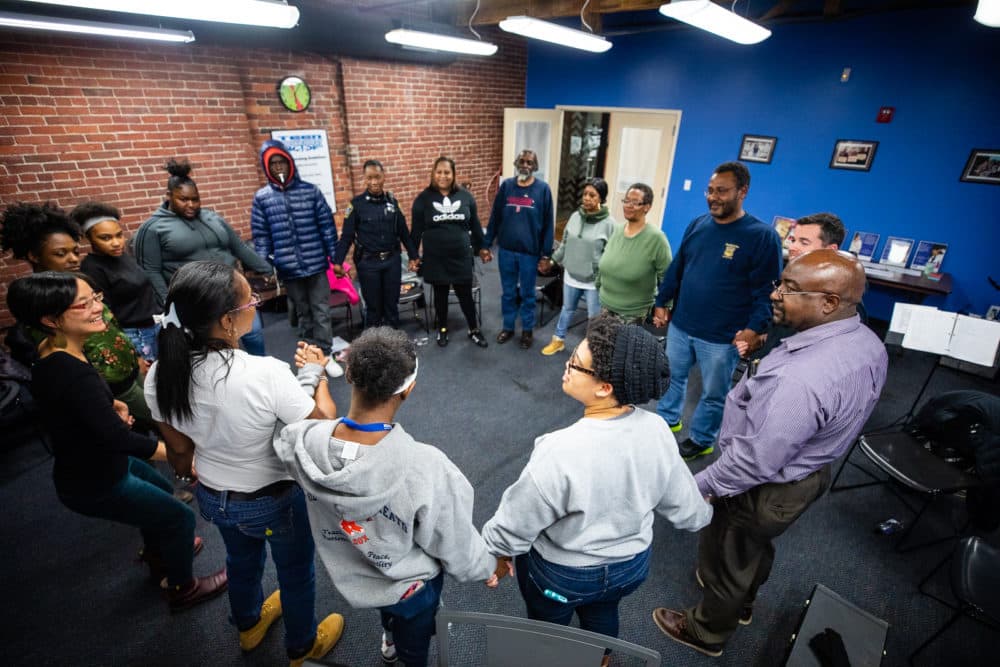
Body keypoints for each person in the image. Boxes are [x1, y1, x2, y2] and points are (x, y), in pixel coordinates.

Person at [652, 250, 888, 658]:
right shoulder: (866, 341)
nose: (776, 294)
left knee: (726, 553)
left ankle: (706, 632)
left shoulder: (801, 381)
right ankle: (743, 603)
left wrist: (699, 486)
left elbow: (753, 462)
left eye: (790, 289)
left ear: (829, 303)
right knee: (751, 546)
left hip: (762, 486)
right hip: (805, 476)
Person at [482, 314, 712, 661]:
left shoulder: (558, 450)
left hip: (563, 576)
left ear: (605, 388)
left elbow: (517, 522)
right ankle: (603, 658)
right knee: (603, 613)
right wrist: (705, 513)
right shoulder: (658, 430)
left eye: (576, 364)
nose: (567, 365)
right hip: (630, 568)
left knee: (548, 629)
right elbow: (687, 508)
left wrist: (496, 555)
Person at [144, 261, 341, 665]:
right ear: (227, 321)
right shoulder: (265, 372)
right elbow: (322, 429)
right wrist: (316, 374)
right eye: (250, 299)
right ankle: (303, 648)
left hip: (215, 498)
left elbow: (180, 453)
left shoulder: (160, 375)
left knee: (241, 560)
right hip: (274, 500)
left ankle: (248, 626)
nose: (256, 303)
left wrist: (187, 473)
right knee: (295, 571)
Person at [273, 327, 507, 667]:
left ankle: (388, 636)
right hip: (409, 588)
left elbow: (289, 423)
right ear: (408, 390)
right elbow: (453, 539)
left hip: (357, 573)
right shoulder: (424, 466)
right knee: (415, 646)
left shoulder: (302, 442)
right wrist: (489, 564)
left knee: (387, 610)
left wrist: (311, 375)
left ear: (349, 373)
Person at [6, 271, 227, 612]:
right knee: (180, 517)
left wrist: (110, 406)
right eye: (86, 303)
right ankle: (184, 587)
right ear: (51, 319)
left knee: (160, 494)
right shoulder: (70, 372)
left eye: (96, 296)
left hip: (101, 461)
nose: (100, 306)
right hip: (96, 481)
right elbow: (118, 437)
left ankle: (159, 555)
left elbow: (76, 407)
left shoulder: (52, 352)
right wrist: (180, 457)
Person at [652, 161, 782, 460]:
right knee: (671, 377)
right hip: (682, 325)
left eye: (722, 191)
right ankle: (667, 421)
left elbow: (767, 290)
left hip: (723, 336)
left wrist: (756, 327)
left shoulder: (762, 236)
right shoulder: (698, 224)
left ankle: (701, 439)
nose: (713, 197)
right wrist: (662, 301)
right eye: (710, 190)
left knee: (712, 394)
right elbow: (678, 268)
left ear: (742, 192)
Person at [1, 202, 149, 425]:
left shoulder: (81, 283)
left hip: (128, 369)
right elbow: (67, 360)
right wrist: (103, 398)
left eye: (75, 251)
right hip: (109, 387)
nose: (73, 259)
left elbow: (111, 325)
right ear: (33, 255)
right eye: (61, 253)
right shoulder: (39, 303)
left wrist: (135, 355)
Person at [134, 159, 274, 356]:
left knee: (252, 333)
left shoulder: (212, 218)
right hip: (198, 299)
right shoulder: (153, 229)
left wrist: (267, 269)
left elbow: (238, 247)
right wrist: (169, 305)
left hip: (232, 290)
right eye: (183, 199)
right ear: (169, 196)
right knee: (215, 348)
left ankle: (260, 372)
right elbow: (151, 271)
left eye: (195, 199)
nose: (191, 205)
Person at [251, 139, 339, 356]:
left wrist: (335, 259)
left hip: (316, 264)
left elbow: (327, 227)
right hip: (289, 268)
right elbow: (262, 236)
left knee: (321, 311)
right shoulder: (262, 198)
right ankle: (309, 352)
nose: (278, 167)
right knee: (303, 313)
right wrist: (265, 267)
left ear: (290, 163)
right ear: (267, 167)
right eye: (273, 164)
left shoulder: (311, 192)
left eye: (282, 162)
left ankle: (325, 353)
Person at [735, 212, 846, 362]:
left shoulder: (841, 299)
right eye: (793, 240)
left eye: (804, 242)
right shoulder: (792, 278)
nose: (792, 247)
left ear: (830, 250)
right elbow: (781, 331)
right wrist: (759, 341)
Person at [410, 156, 489, 348]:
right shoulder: (423, 199)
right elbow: (416, 231)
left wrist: (483, 248)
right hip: (435, 257)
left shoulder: (465, 197)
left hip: (460, 256)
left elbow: (476, 225)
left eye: (447, 172)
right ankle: (442, 329)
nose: (443, 176)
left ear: (453, 174)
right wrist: (413, 256)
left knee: (465, 294)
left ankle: (474, 329)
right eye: (439, 172)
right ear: (433, 173)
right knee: (441, 295)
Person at [332, 159, 420, 329]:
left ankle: (394, 343)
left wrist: (413, 256)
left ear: (384, 177)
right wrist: (337, 262)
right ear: (364, 179)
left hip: (391, 262)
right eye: (369, 178)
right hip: (368, 264)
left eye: (377, 177)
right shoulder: (356, 205)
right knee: (373, 309)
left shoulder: (393, 203)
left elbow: (403, 232)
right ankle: (374, 347)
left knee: (391, 306)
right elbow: (347, 237)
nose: (374, 182)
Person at [482, 149, 555, 349]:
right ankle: (508, 327)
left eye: (530, 162)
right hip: (506, 252)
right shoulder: (506, 187)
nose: (525, 165)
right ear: (516, 163)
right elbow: (495, 217)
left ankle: (527, 331)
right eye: (522, 161)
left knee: (528, 294)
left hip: (529, 254)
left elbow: (548, 224)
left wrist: (546, 255)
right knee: (508, 293)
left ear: (535, 167)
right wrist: (486, 244)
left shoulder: (543, 190)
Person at [71, 201, 160, 361]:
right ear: (88, 238)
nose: (116, 243)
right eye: (105, 238)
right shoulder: (92, 268)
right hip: (134, 335)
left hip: (151, 327)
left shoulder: (123, 256)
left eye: (119, 235)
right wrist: (131, 351)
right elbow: (105, 314)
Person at [539, 178, 617, 355]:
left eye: (593, 195)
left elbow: (612, 255)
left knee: (594, 318)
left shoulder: (610, 224)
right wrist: (552, 261)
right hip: (571, 276)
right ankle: (558, 340)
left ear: (601, 199)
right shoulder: (575, 217)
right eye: (585, 194)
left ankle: (592, 351)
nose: (587, 198)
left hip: (593, 282)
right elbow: (565, 245)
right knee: (567, 309)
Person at [595, 183, 672, 323]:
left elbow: (667, 277)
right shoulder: (617, 230)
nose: (628, 205)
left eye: (635, 202)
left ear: (647, 207)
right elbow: (605, 261)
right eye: (626, 200)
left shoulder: (657, 238)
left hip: (632, 315)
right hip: (605, 307)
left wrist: (664, 306)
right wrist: (599, 285)